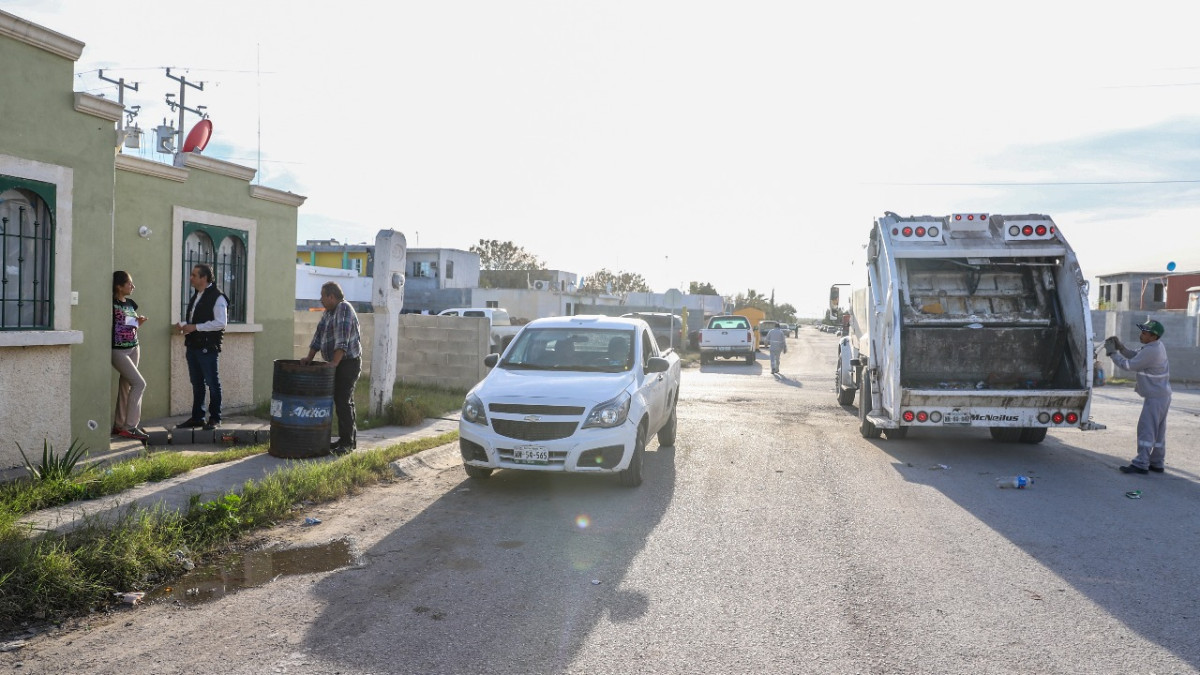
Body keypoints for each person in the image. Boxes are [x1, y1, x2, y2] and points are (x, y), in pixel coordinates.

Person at [301, 282, 362, 455]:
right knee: (339, 400)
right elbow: (318, 336)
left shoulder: (343, 308)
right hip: (337, 363)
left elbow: (342, 339)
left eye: (323, 296)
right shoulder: (328, 313)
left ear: (331, 296)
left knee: (343, 400)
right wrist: (309, 357)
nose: (320, 300)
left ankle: (348, 443)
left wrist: (335, 363)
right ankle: (345, 439)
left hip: (347, 363)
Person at [1107, 320, 1171, 474]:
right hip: (1162, 395)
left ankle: (1141, 463)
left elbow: (1128, 365)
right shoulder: (1155, 346)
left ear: (1153, 336)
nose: (1141, 335)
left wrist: (1112, 353)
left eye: (1144, 333)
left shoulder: (1152, 351)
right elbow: (1136, 355)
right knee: (1158, 431)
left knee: (1146, 429)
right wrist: (1121, 348)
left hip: (1155, 397)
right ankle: (1156, 463)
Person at [177, 263, 227, 431]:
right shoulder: (197, 295)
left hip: (207, 347)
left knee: (212, 383)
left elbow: (221, 323)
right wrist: (185, 325)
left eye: (194, 275)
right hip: (193, 346)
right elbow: (197, 318)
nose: (191, 278)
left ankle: (215, 418)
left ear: (204, 278)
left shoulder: (218, 297)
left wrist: (195, 327)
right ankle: (198, 417)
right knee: (197, 383)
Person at [111, 271, 149, 442]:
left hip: (133, 347)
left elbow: (130, 327)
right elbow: (115, 327)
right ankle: (130, 427)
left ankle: (119, 425)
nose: (132, 286)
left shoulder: (132, 304)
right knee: (139, 383)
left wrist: (138, 323)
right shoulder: (111, 303)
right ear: (119, 286)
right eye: (129, 283)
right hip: (117, 350)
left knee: (125, 385)